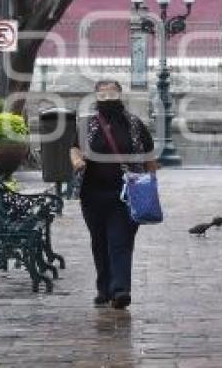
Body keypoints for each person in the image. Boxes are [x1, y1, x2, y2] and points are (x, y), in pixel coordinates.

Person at [70, 80, 157, 309]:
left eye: (112, 96)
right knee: (99, 242)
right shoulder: (87, 124)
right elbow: (74, 147)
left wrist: (150, 182)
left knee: (120, 241)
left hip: (126, 194)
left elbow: (149, 155)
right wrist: (77, 160)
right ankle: (104, 288)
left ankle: (120, 290)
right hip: (92, 193)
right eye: (103, 96)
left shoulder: (134, 124)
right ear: (96, 98)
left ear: (120, 96)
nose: (108, 100)